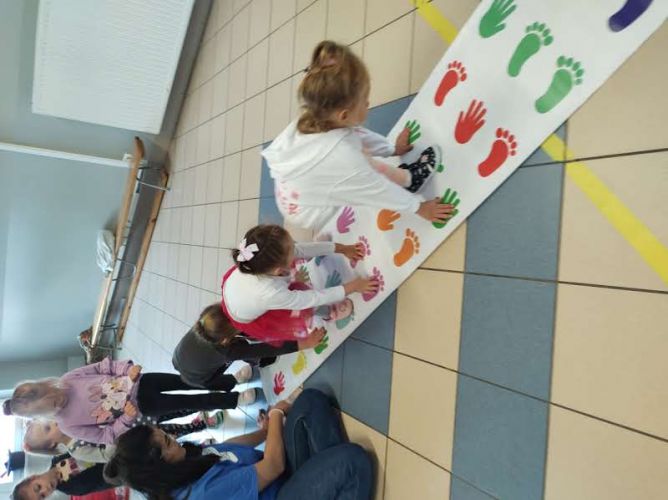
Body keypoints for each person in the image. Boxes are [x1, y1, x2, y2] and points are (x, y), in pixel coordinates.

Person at [262, 40, 455, 233]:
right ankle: (410, 181)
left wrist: (392, 149)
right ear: (343, 115)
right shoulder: (341, 157)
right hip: (311, 212)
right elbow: (376, 189)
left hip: (293, 193)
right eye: (364, 100)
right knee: (360, 166)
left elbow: (356, 134)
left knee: (357, 158)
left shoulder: (319, 115)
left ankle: (405, 178)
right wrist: (419, 208)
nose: (368, 103)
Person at [104, 388, 373, 499]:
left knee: (311, 401)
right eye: (167, 441)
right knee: (352, 459)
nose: (173, 437)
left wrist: (265, 433)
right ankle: (333, 477)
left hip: (280, 480)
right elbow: (274, 465)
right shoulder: (203, 494)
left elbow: (227, 448)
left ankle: (328, 479)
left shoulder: (184, 462)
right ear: (161, 463)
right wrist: (276, 416)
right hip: (280, 490)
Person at [2, 357, 255, 445]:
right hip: (144, 407)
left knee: (187, 381)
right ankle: (234, 400)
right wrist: (126, 417)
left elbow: (103, 367)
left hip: (143, 382)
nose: (59, 403)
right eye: (53, 407)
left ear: (47, 385)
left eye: (55, 396)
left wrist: (126, 369)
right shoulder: (68, 425)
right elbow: (106, 436)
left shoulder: (69, 379)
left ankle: (231, 380)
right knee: (192, 402)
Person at [221, 224, 378, 344]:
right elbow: (312, 298)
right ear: (279, 270)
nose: (295, 247)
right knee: (304, 308)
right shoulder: (272, 293)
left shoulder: (259, 259)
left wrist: (342, 248)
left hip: (237, 291)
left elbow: (298, 249)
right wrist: (354, 286)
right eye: (292, 250)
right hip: (246, 312)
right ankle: (328, 313)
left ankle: (310, 255)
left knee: (297, 252)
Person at [173, 303, 327, 388]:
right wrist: (306, 343)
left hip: (180, 355)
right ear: (225, 340)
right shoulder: (227, 351)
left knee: (244, 340)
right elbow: (267, 349)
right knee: (242, 351)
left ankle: (252, 357)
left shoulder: (210, 323)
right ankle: (241, 377)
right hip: (199, 377)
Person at [23, 415, 222, 463]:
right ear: (52, 444)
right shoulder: (77, 450)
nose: (53, 423)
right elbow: (106, 455)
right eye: (48, 429)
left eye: (48, 422)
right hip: (135, 438)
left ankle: (199, 416)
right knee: (171, 434)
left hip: (133, 420)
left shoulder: (73, 422)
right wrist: (111, 435)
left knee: (166, 419)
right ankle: (202, 425)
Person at [11, 452, 111, 499]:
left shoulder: (58, 456)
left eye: (38, 487)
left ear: (33, 477)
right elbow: (109, 479)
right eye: (42, 496)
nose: (45, 490)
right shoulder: (73, 488)